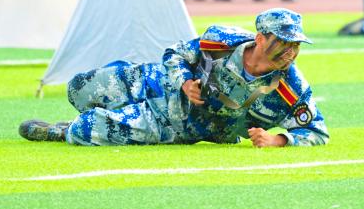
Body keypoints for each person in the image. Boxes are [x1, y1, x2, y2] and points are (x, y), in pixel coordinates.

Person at [19, 8, 328, 147]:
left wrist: (278, 140)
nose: (291, 51)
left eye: (296, 45)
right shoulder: (222, 39)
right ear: (260, 38)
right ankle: (116, 105)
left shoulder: (291, 89)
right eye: (284, 42)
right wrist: (185, 81)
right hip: (158, 82)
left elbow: (317, 132)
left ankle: (62, 131)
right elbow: (175, 54)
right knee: (79, 88)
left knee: (87, 129)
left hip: (178, 123)